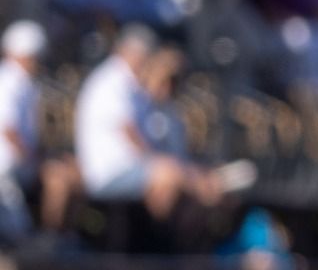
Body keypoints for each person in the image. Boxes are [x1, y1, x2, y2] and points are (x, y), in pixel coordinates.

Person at [76, 28, 255, 229]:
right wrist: (163, 164)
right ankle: (160, 241)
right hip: (110, 172)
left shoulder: (136, 90)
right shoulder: (116, 80)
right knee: (169, 175)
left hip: (129, 168)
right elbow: (131, 135)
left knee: (175, 177)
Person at [0, 21, 79, 241]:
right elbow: (9, 131)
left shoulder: (23, 83)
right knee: (58, 178)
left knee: (72, 172)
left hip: (19, 163)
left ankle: (62, 238)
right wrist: (34, 159)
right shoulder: (8, 82)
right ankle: (50, 237)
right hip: (10, 166)